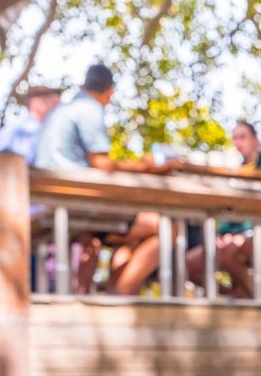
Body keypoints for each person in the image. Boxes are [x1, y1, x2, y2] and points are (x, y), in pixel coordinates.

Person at [35, 64, 165, 295]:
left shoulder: (62, 109)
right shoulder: (89, 108)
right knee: (162, 227)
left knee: (118, 238)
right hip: (76, 201)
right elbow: (102, 164)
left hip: (52, 198)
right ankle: (120, 297)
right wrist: (144, 166)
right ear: (110, 92)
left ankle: (91, 297)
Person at [185, 121, 261, 299]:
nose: (238, 143)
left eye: (242, 137)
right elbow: (228, 208)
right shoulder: (236, 171)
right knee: (189, 263)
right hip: (231, 235)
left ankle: (253, 299)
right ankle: (238, 296)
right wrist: (220, 233)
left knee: (231, 250)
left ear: (255, 140)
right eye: (235, 138)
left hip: (256, 234)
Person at [0, 85, 61, 164]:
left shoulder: (56, 134)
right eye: (54, 104)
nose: (58, 109)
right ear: (36, 103)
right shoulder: (15, 132)